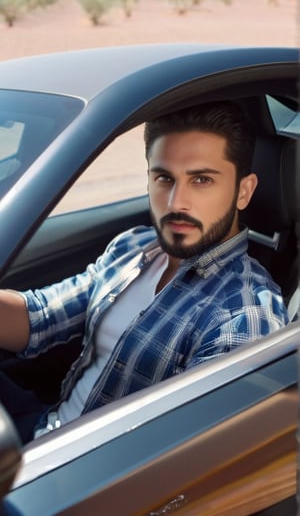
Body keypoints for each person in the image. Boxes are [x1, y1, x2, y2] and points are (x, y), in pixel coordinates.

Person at [0, 101, 290, 444]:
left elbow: (179, 459)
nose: (176, 202)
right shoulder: (135, 246)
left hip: (72, 474)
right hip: (47, 425)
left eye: (201, 180)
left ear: (244, 191)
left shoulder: (244, 314)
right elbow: (43, 317)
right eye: (164, 178)